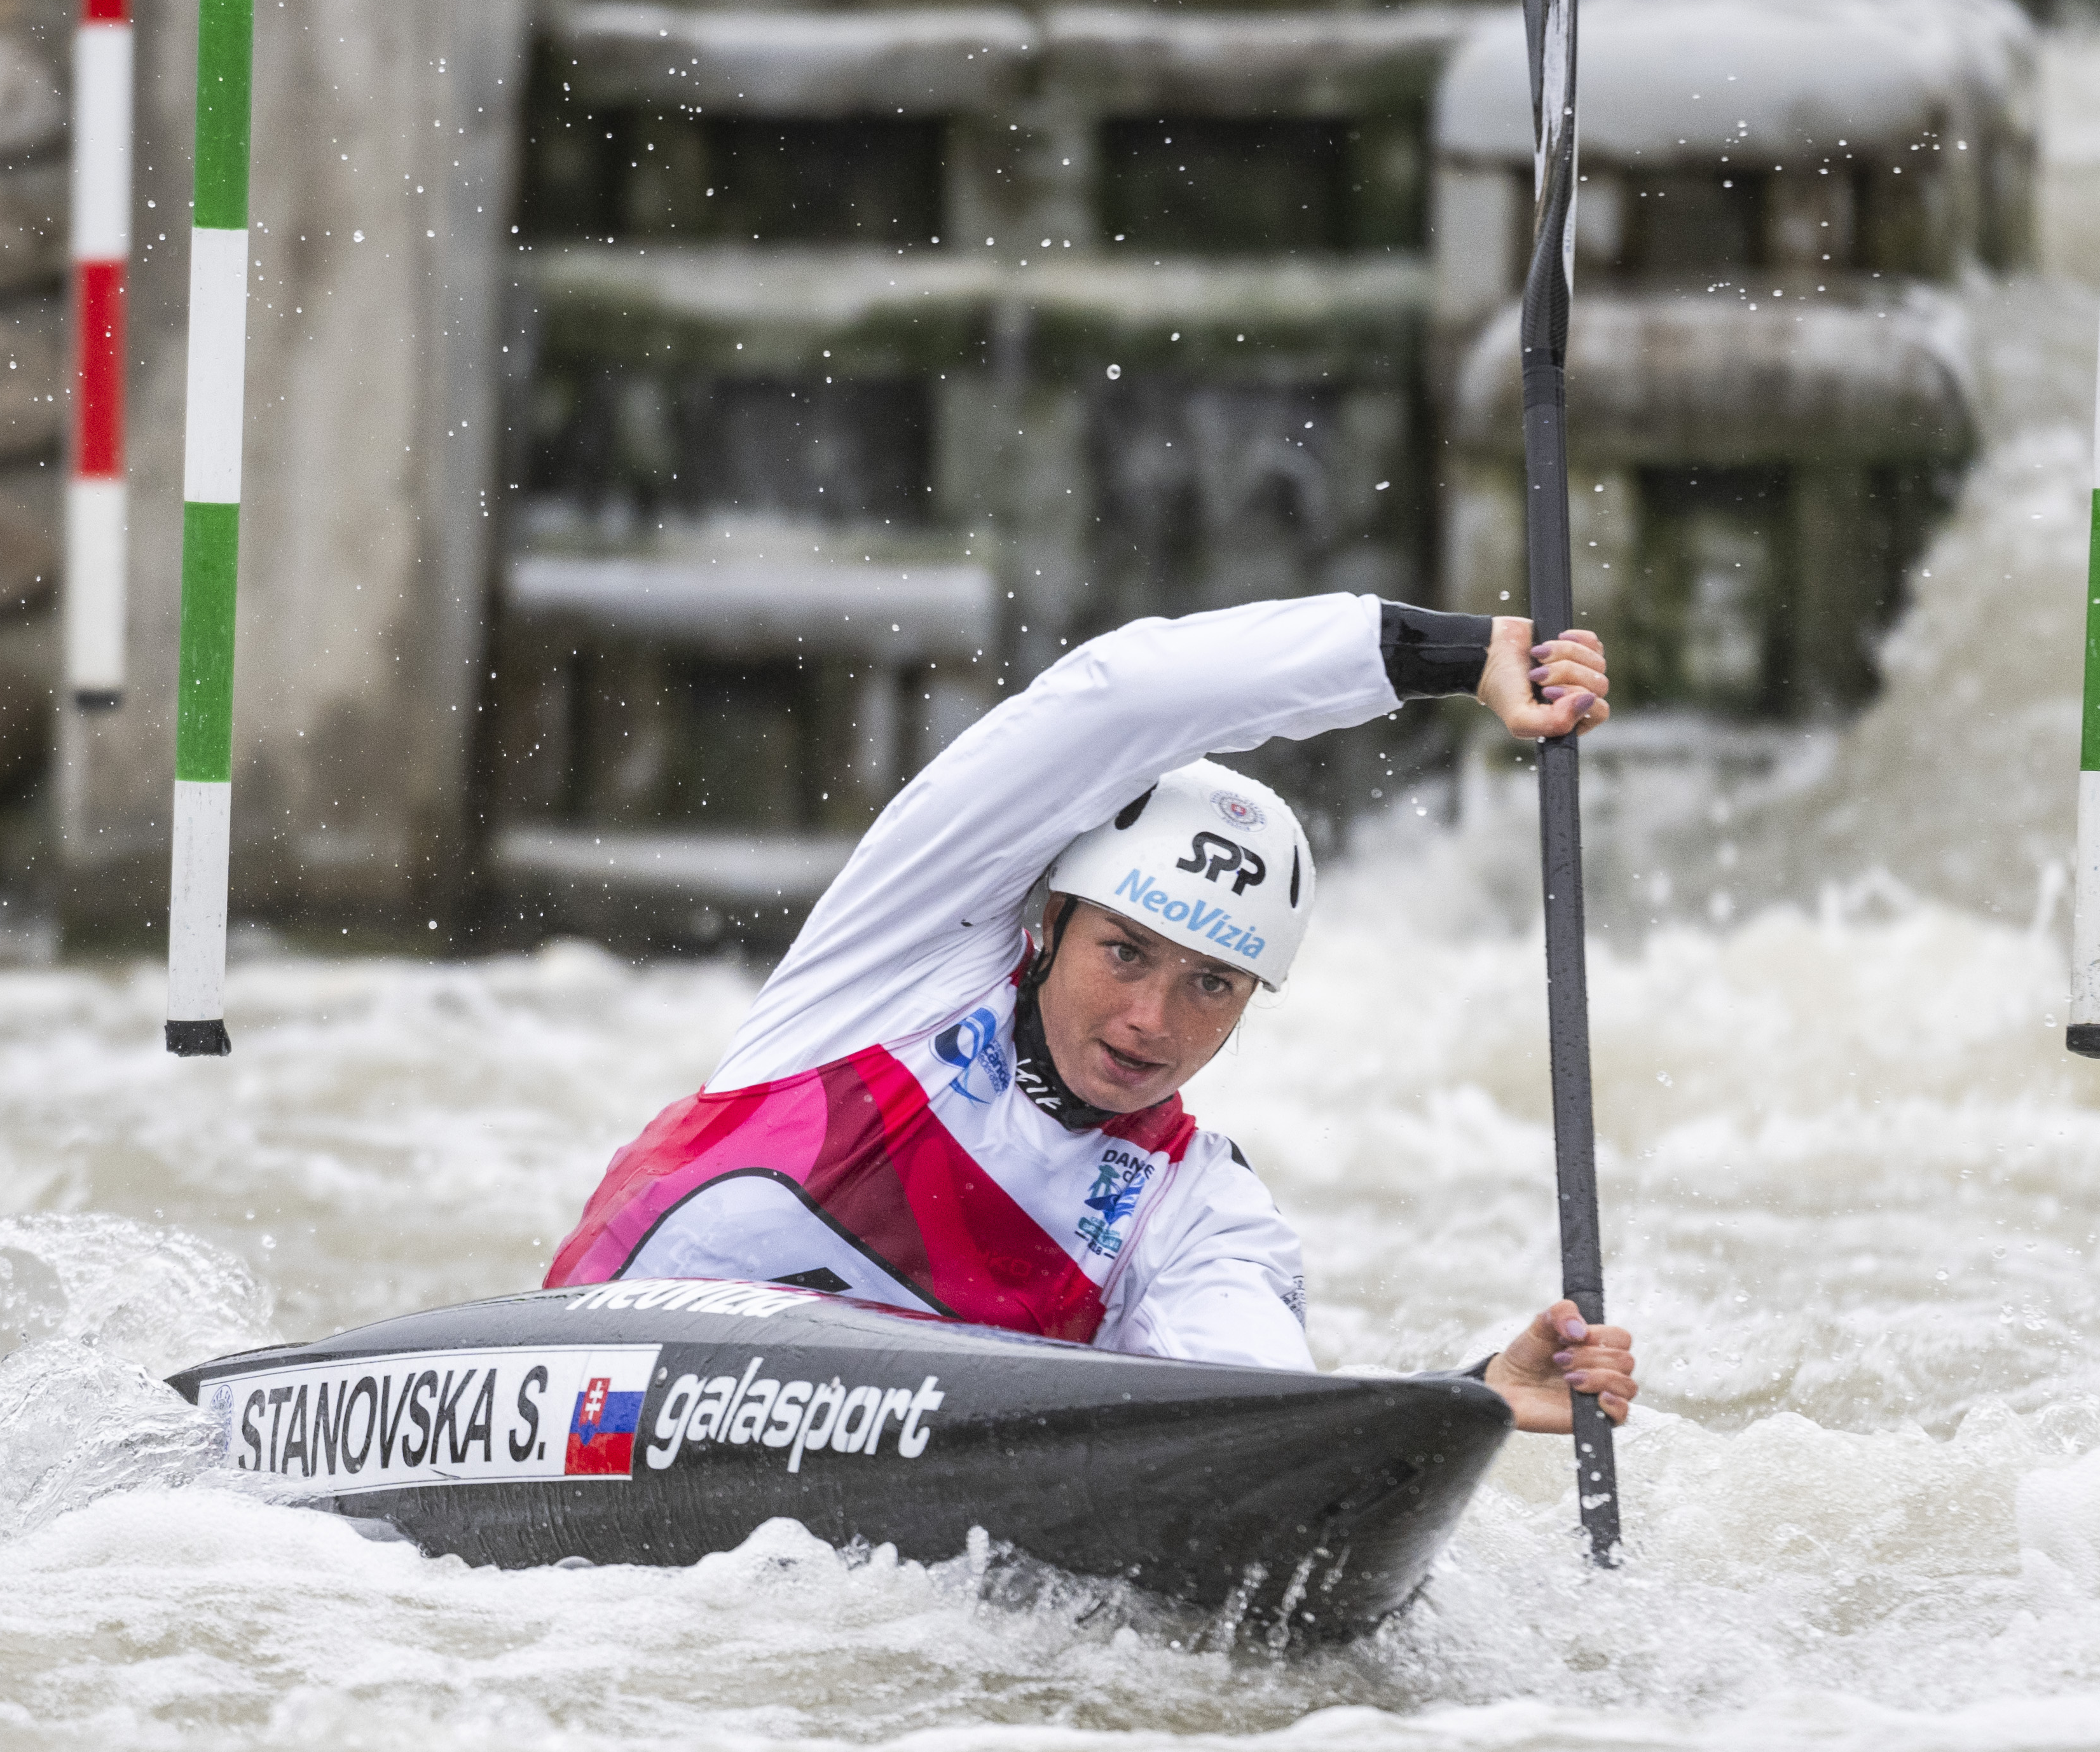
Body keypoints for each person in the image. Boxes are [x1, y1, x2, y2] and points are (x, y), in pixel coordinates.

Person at [549, 594, 1640, 1434]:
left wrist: (1469, 1401)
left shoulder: (1193, 1212)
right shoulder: (894, 958)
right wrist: (1448, 654)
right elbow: (1120, 697)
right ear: (1051, 921)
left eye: (1212, 983)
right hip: (568, 1400)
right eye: (1125, 951)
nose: (1150, 1018)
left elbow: (1254, 1429)